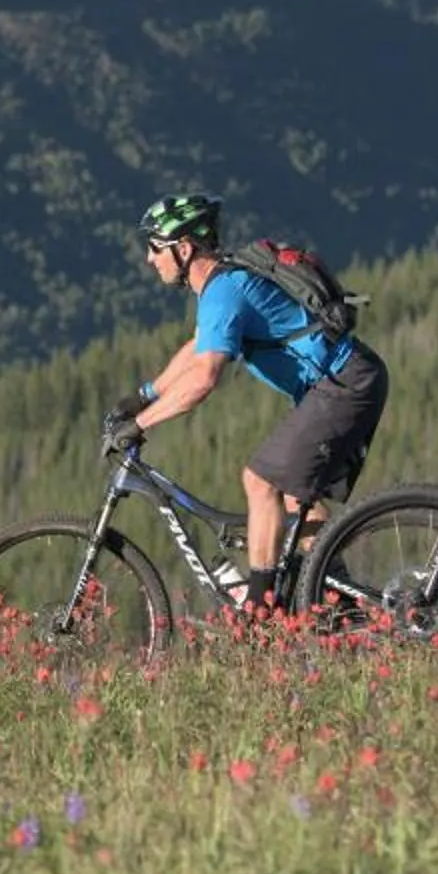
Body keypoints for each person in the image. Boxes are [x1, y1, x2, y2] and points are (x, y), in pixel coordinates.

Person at [101, 192, 390, 610]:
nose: (149, 259)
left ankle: (260, 607)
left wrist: (141, 425)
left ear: (183, 249)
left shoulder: (223, 289)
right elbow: (200, 346)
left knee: (260, 480)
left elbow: (203, 379)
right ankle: (336, 603)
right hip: (346, 380)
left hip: (345, 383)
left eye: (155, 247)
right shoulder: (224, 282)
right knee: (295, 497)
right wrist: (145, 397)